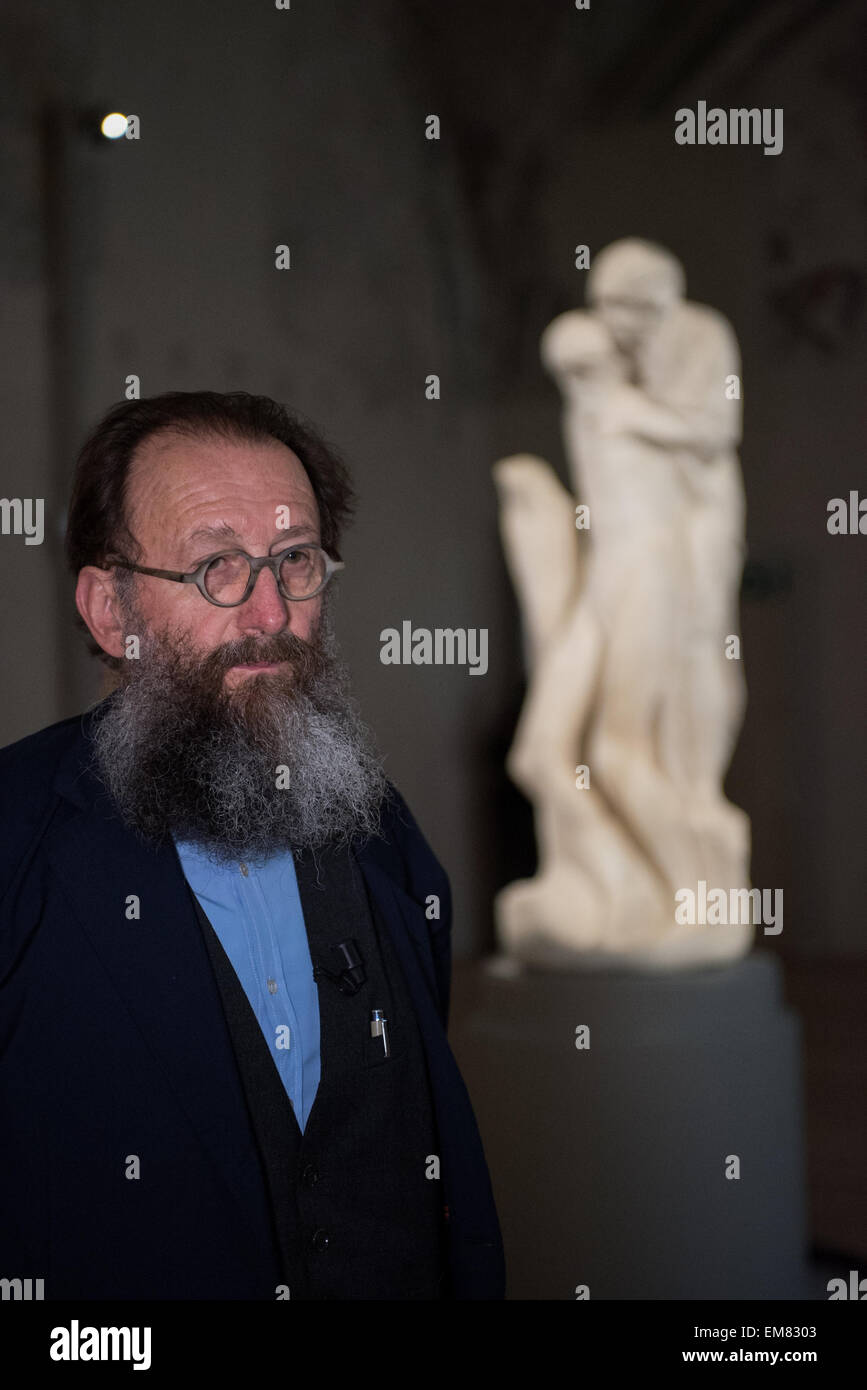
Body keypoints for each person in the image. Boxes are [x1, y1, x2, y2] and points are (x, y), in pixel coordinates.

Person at [0, 390, 505, 1300]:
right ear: (112, 611)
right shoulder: (12, 837)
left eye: (295, 561)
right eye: (217, 568)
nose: (270, 611)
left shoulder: (380, 829)